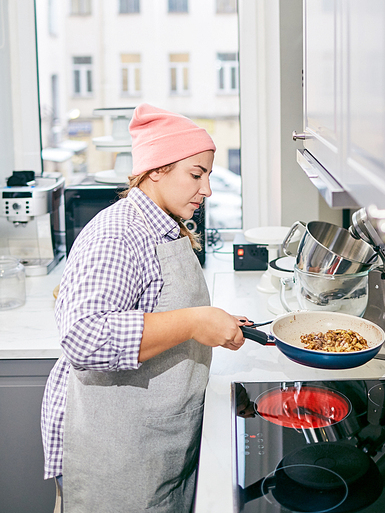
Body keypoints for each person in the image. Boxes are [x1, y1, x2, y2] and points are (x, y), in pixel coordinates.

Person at [41, 104, 251, 513]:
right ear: (156, 170)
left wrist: (210, 322)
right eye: (196, 174)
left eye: (207, 174)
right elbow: (83, 339)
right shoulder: (117, 234)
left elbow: (159, 310)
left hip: (157, 439)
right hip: (117, 453)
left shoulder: (164, 226)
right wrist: (193, 321)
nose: (207, 189)